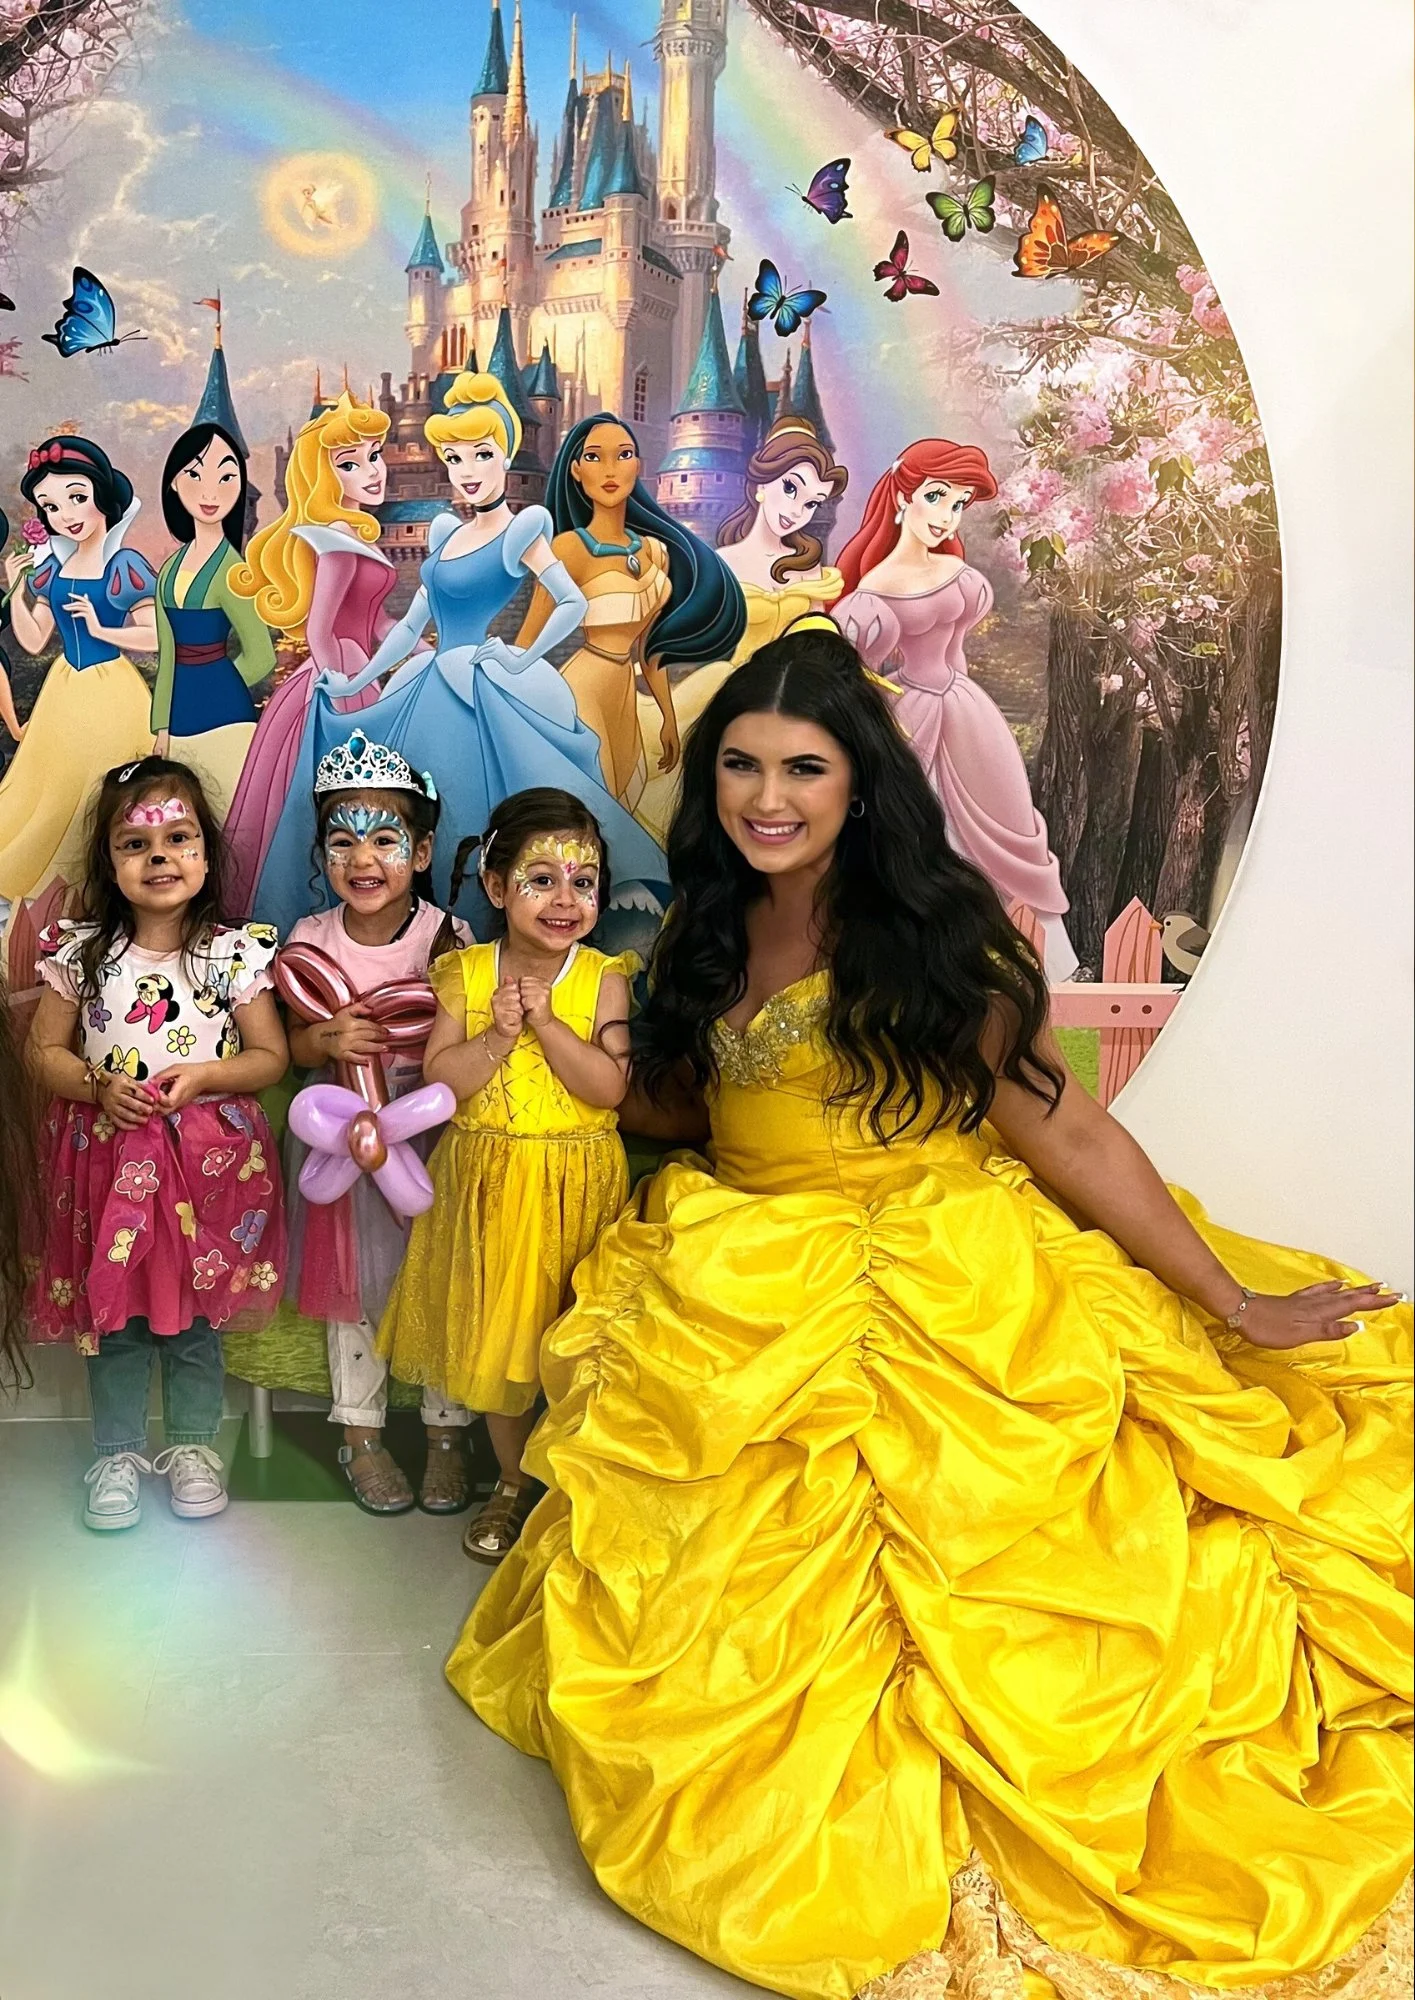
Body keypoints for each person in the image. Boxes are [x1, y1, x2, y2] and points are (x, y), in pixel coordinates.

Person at [448, 629, 1411, 2000]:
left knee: (1025, 1564)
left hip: (937, 1260)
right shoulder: (705, 921)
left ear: (860, 785)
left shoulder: (926, 932)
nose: (762, 797)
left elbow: (1064, 1129)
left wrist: (1228, 1297)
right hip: (744, 1268)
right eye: (736, 766)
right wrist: (554, 1054)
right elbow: (690, 1109)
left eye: (800, 768)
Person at [249, 372, 669, 938]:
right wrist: (358, 683)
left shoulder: (524, 526)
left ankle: (499, 930)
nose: (467, 470)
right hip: (426, 681)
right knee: (408, 816)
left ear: (508, 454)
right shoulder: (445, 531)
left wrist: (522, 658)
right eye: (453, 457)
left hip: (480, 683)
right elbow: (411, 627)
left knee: (487, 805)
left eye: (481, 454)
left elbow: (570, 603)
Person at [26, 756, 289, 1532]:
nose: (160, 858)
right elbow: (42, 1055)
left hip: (204, 1169)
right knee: (116, 1318)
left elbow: (270, 1057)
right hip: (106, 1160)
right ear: (110, 862)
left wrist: (205, 1076)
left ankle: (195, 1447)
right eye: (136, 845)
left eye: (178, 838)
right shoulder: (82, 955)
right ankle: (114, 1452)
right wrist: (96, 1085)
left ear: (205, 854)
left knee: (194, 1317)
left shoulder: (232, 954)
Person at [378, 788, 636, 1566]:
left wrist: (551, 1024)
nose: (565, 898)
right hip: (485, 1182)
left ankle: (569, 1488)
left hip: (577, 1185)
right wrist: (497, 1032)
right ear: (496, 888)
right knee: (498, 1342)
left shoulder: (603, 976)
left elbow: (610, 1088)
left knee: (571, 1339)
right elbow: (440, 1083)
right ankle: (512, 1482)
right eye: (541, 878)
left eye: (582, 881)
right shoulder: (464, 971)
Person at [278, 730, 475, 1516]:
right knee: (355, 1293)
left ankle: (446, 1435)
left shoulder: (446, 941)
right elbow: (289, 1050)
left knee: (440, 1281)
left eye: (385, 839)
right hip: (342, 1147)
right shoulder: (308, 943)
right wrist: (322, 1040)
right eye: (343, 840)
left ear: (423, 851)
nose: (363, 860)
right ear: (322, 854)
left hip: (429, 1136)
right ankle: (359, 1435)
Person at [834, 438, 1079, 980]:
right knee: (920, 831)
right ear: (902, 497)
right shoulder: (871, 595)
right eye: (936, 496)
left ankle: (1042, 960)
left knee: (1007, 821)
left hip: (969, 714)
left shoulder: (960, 577)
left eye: (958, 503)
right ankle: (923, 965)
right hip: (907, 719)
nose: (946, 516)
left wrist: (964, 706)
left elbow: (955, 655)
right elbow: (862, 683)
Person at [636, 414, 847, 843]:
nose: (797, 511)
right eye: (791, 489)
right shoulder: (722, 564)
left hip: (793, 704)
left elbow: (822, 645)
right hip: (725, 693)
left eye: (811, 503)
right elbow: (680, 631)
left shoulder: (812, 577)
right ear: (759, 486)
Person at [222, 392, 393, 916]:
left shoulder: (359, 536)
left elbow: (374, 620)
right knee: (320, 803)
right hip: (337, 681)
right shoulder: (335, 537)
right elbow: (321, 631)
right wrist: (341, 693)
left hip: (359, 672)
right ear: (324, 474)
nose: (372, 471)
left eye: (375, 455)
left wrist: (416, 636)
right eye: (351, 463)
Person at [525, 413, 745, 811]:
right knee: (597, 803)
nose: (610, 470)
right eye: (594, 457)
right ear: (575, 470)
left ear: (638, 466)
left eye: (623, 455)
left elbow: (650, 648)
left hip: (624, 690)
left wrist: (667, 716)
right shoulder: (569, 550)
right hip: (582, 687)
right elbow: (529, 641)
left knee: (626, 800)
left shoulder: (654, 552)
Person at [0, 437, 157, 917]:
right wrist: (15, 587)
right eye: (50, 506)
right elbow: (33, 639)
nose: (65, 514)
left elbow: (154, 636)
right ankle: (59, 910)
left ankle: (113, 899)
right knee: (54, 795)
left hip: (114, 691)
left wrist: (100, 626)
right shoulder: (53, 569)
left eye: (76, 496)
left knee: (105, 794)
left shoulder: (124, 566)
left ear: (102, 496)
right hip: (64, 692)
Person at [151, 422, 276, 822]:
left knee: (228, 820)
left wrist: (219, 688)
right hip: (180, 721)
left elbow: (261, 655)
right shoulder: (169, 570)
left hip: (226, 720)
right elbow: (167, 654)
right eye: (196, 475)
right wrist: (161, 726)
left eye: (226, 477)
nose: (211, 492)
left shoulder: (232, 570)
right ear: (174, 482)